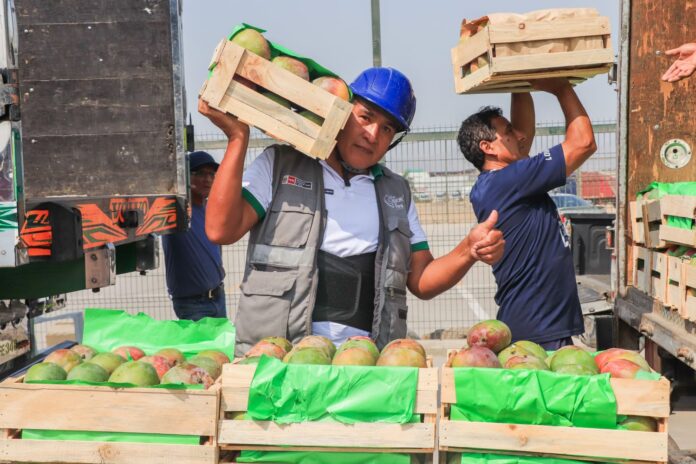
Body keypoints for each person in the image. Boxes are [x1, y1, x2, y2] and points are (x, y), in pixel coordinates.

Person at [200, 67, 505, 356]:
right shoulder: (279, 165)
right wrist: (237, 138)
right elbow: (220, 230)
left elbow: (421, 280)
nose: (372, 134)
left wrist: (468, 250)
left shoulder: (396, 192)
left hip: (365, 366)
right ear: (343, 113)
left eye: (387, 129)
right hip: (281, 360)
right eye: (365, 117)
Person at [457, 79, 597, 350]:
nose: (520, 137)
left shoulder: (495, 183)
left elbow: (523, 135)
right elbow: (583, 143)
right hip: (538, 329)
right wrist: (561, 88)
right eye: (508, 132)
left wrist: (519, 78)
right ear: (488, 147)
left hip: (535, 323)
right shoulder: (510, 180)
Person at [162, 151, 227, 321]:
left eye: (211, 174)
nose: (207, 179)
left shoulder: (209, 210)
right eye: (200, 174)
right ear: (186, 177)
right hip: (193, 305)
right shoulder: (176, 212)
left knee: (220, 348)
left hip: (218, 297)